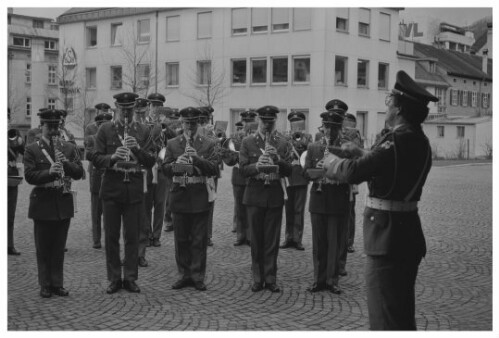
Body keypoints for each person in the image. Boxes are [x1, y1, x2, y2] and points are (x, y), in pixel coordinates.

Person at [324, 70, 437, 330]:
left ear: (399, 109)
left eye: (389, 102)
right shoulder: (418, 140)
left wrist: (329, 161)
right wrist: (362, 152)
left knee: (384, 317)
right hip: (407, 233)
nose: (386, 107)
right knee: (401, 312)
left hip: (388, 239)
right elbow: (392, 166)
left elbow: (354, 172)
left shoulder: (395, 141)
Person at [92, 92, 155, 294]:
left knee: (132, 236)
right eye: (123, 109)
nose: (126, 113)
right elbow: (94, 157)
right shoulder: (105, 129)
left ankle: (129, 277)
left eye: (130, 109)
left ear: (134, 108)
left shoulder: (143, 130)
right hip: (111, 187)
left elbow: (151, 160)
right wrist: (111, 158)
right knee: (111, 236)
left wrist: (136, 149)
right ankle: (113, 278)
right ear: (116, 108)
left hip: (134, 188)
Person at [23, 108, 84, 298]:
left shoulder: (68, 147)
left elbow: (79, 173)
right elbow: (29, 176)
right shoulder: (32, 148)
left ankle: (57, 283)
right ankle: (45, 284)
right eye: (49, 126)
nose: (53, 130)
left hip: (62, 201)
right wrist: (49, 172)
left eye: (56, 126)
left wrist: (66, 164)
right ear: (41, 126)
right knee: (43, 247)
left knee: (58, 247)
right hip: (42, 201)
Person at [162, 107, 219, 291]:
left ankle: (197, 275)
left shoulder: (208, 143)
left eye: (193, 123)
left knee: (198, 240)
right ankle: (183, 274)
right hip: (179, 194)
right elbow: (165, 168)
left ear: (198, 124)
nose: (190, 127)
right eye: (187, 123)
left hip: (199, 194)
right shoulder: (172, 143)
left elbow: (213, 168)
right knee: (181, 239)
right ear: (182, 123)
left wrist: (196, 159)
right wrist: (176, 164)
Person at [239, 105, 292, 293]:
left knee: (272, 239)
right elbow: (243, 169)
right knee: (256, 240)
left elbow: (290, 170)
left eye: (270, 122)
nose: (267, 126)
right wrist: (257, 166)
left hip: (274, 195)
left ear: (275, 122)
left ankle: (270, 278)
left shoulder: (283, 142)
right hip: (254, 195)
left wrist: (277, 159)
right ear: (258, 121)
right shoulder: (248, 142)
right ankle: (257, 278)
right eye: (264, 122)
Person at [303, 107, 349, 295]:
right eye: (326, 127)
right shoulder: (314, 147)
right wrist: (316, 170)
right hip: (319, 198)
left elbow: (352, 174)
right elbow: (305, 172)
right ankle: (318, 279)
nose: (329, 131)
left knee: (335, 242)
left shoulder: (345, 148)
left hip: (338, 198)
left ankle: (332, 280)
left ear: (339, 128)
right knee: (319, 242)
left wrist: (333, 169)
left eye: (333, 127)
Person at [280, 111, 312, 251]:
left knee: (299, 209)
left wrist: (301, 140)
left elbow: (310, 154)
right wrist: (289, 140)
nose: (295, 127)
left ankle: (297, 238)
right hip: (288, 176)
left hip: (301, 176)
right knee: (288, 209)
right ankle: (288, 237)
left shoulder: (308, 137)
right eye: (293, 124)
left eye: (298, 124)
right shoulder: (285, 138)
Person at [85, 103, 113, 249]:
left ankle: (109, 238)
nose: (102, 126)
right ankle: (96, 239)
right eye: (100, 124)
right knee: (96, 209)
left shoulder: (113, 137)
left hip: (109, 174)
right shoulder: (91, 137)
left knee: (109, 209)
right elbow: (88, 154)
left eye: (105, 124)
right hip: (96, 174)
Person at [221, 117, 250, 246]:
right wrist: (233, 156)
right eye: (240, 128)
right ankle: (240, 235)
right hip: (238, 176)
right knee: (239, 207)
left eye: (244, 128)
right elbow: (229, 160)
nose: (241, 130)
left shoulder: (253, 141)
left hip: (251, 176)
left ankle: (249, 236)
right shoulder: (234, 141)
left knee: (250, 207)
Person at [8, 115, 25, 256]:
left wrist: (18, 139)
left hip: (11, 176)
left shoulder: (13, 136)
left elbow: (23, 151)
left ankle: (9, 244)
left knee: (10, 213)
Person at [163, 108, 182, 233]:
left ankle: (176, 219)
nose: (174, 121)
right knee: (169, 194)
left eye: (176, 119)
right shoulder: (166, 128)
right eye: (172, 119)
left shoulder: (180, 129)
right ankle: (168, 220)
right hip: (170, 161)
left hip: (181, 162)